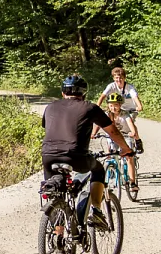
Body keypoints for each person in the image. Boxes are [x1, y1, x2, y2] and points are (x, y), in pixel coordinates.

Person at [42, 75, 134, 228]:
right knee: (98, 169)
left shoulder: (50, 106)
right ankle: (97, 211)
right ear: (84, 93)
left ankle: (58, 239)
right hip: (75, 155)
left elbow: (48, 127)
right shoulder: (89, 107)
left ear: (63, 92)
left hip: (48, 156)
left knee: (55, 191)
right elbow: (113, 131)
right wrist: (125, 149)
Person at [99, 62, 145, 152]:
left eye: (121, 78)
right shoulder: (111, 86)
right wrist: (97, 106)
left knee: (130, 122)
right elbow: (103, 96)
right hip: (116, 108)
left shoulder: (129, 87)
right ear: (113, 78)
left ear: (124, 78)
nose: (119, 79)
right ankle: (114, 140)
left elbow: (135, 97)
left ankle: (137, 140)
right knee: (113, 121)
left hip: (130, 109)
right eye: (116, 78)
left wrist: (139, 106)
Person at [103, 91, 140, 196]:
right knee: (109, 153)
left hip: (125, 136)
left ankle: (132, 182)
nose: (113, 108)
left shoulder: (125, 114)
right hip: (113, 137)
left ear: (120, 105)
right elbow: (98, 124)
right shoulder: (107, 115)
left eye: (116, 105)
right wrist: (93, 134)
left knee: (129, 157)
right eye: (111, 105)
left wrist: (132, 132)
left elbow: (131, 125)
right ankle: (110, 170)